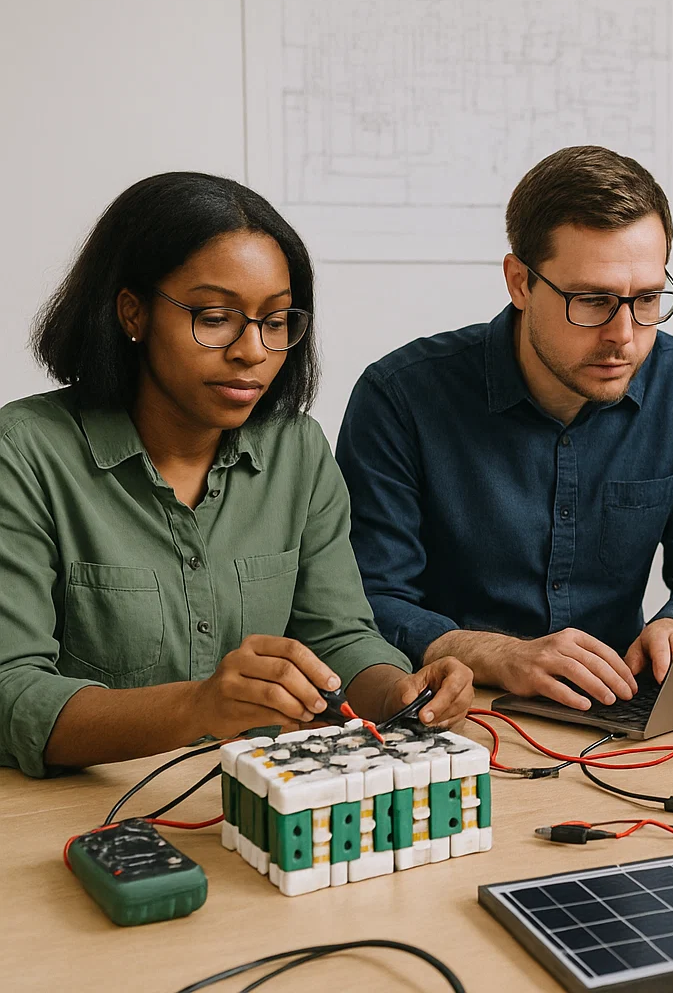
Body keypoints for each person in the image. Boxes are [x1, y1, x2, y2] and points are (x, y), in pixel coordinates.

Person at [0, 172, 474, 778]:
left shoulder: (297, 449)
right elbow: (13, 692)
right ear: (133, 312)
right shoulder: (26, 452)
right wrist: (198, 707)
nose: (252, 350)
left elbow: (338, 638)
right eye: (216, 316)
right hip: (82, 811)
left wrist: (400, 691)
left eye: (275, 322)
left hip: (260, 796)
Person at [337, 146, 673, 712]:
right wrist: (497, 654)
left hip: (617, 705)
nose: (623, 335)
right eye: (593, 301)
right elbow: (368, 598)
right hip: (458, 712)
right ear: (520, 283)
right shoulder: (400, 397)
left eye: (648, 299)